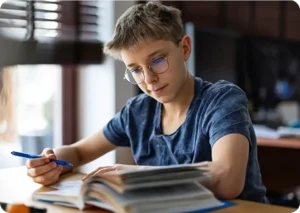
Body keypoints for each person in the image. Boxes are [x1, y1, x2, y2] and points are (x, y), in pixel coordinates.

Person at [26, 0, 268, 203]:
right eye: (136, 70)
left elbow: (227, 180)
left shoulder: (222, 99)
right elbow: (78, 152)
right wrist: (51, 162)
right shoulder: (138, 111)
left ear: (184, 48)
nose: (149, 79)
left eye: (158, 60)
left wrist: (137, 176)